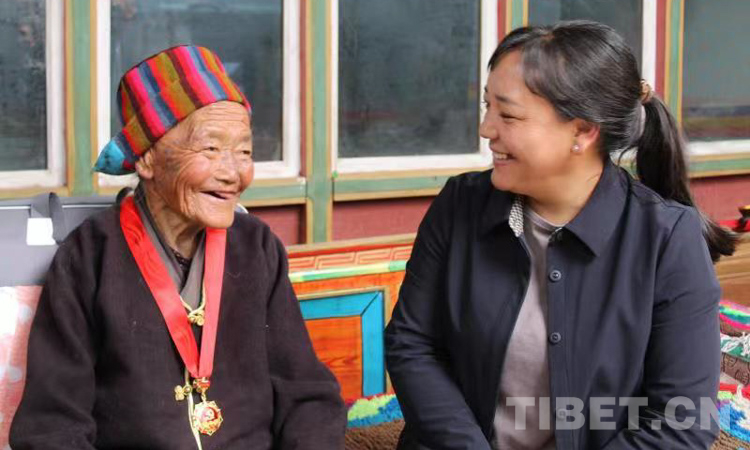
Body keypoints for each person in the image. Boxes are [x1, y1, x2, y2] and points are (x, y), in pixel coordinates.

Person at [385, 21, 736, 450]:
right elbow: (412, 343)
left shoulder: (667, 238)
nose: (486, 129)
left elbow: (682, 422)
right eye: (487, 107)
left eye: (508, 115)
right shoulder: (460, 204)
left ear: (583, 131)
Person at [10, 45, 346, 449]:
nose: (233, 172)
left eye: (244, 151)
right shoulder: (90, 255)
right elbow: (52, 426)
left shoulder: (256, 247)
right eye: (210, 149)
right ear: (147, 160)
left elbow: (306, 395)